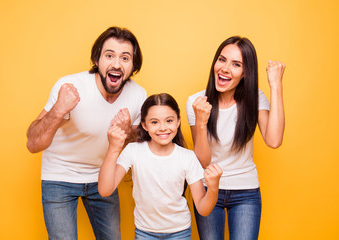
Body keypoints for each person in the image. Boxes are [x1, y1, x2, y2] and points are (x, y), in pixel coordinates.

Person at [26, 26, 147, 240]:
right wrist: (58, 109)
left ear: (133, 66)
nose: (116, 64)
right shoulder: (70, 86)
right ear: (97, 59)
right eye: (109, 55)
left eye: (125, 58)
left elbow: (138, 141)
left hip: (102, 177)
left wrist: (127, 131)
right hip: (59, 176)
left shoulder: (138, 95)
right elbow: (33, 144)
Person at [186, 36, 285, 240]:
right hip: (207, 189)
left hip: (245, 192)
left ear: (245, 73)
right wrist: (201, 121)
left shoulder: (254, 98)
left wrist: (275, 85)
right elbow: (203, 160)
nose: (225, 68)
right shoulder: (196, 102)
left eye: (236, 64)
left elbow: (273, 140)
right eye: (221, 60)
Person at [98, 93, 223, 240]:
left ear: (178, 122)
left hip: (179, 233)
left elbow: (203, 209)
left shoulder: (187, 157)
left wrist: (214, 187)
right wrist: (113, 148)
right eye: (154, 122)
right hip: (144, 232)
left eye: (169, 120)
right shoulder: (133, 151)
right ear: (144, 125)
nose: (163, 128)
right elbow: (105, 190)